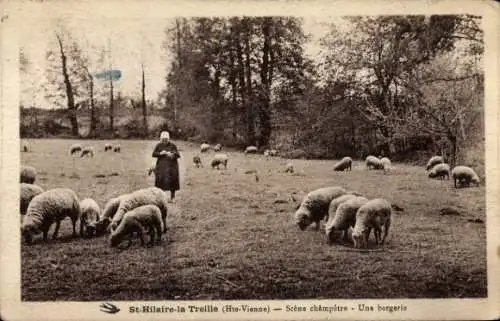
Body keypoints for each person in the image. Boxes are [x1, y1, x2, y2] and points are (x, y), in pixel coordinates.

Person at [152, 131, 181, 202]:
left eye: (166, 139)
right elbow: (153, 154)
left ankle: (173, 197)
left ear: (168, 139)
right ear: (161, 139)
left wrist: (172, 154)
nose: (164, 141)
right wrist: (160, 153)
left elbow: (178, 155)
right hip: (162, 166)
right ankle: (161, 197)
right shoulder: (158, 145)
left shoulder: (173, 145)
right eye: (163, 139)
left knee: (173, 180)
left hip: (172, 166)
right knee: (161, 180)